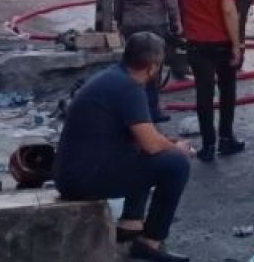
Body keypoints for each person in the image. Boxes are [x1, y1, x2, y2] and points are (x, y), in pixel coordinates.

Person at [54, 32, 194, 262]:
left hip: (72, 173)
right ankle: (150, 243)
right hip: (84, 178)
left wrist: (166, 142)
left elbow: (142, 135)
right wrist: (176, 147)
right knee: (176, 164)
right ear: (152, 67)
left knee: (143, 152)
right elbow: (150, 144)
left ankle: (131, 222)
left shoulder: (114, 77)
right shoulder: (129, 88)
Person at [175, 0, 244, 162]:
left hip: (195, 42)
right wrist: (236, 45)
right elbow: (228, 10)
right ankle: (226, 139)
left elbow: (182, 1)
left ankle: (208, 145)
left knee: (203, 94)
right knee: (227, 91)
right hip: (221, 42)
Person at [115, 0, 180, 123]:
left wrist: (119, 21)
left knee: (134, 67)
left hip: (131, 23)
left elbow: (117, 0)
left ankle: (132, 109)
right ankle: (152, 111)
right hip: (155, 22)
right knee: (153, 69)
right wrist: (176, 21)